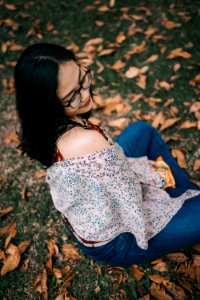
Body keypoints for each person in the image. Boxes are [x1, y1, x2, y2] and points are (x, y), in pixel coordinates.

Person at [14, 43, 200, 266]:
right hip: (117, 241)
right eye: (73, 95)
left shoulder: (42, 127)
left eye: (82, 79)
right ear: (48, 105)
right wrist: (161, 186)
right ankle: (185, 194)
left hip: (86, 217)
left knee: (142, 131)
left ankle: (188, 191)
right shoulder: (86, 141)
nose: (85, 94)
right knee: (181, 201)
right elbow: (132, 202)